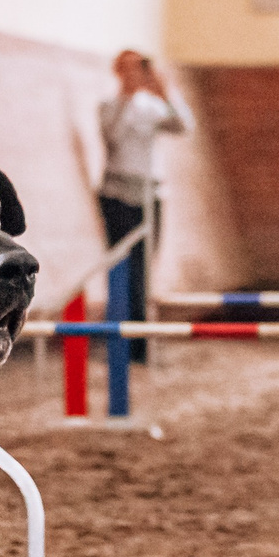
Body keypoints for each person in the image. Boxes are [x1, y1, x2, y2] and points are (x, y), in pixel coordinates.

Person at [96, 49, 192, 362]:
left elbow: (183, 126)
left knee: (144, 269)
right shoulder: (109, 106)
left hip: (150, 197)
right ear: (118, 71)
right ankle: (118, 337)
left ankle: (139, 342)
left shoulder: (153, 107)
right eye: (128, 69)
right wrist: (129, 95)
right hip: (117, 195)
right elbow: (113, 137)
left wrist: (163, 88)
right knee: (120, 268)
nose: (134, 74)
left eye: (138, 69)